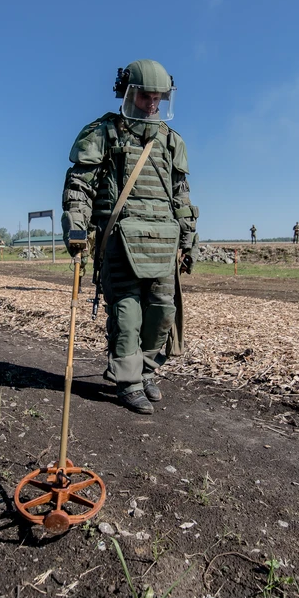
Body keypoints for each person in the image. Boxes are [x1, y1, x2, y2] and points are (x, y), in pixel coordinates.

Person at [60, 59, 198, 415]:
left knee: (163, 313)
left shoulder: (170, 141)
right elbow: (79, 186)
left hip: (163, 242)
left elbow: (181, 196)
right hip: (119, 241)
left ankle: (147, 370)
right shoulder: (103, 132)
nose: (152, 105)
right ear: (128, 94)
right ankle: (127, 380)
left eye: (158, 98)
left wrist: (188, 240)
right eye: (145, 98)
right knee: (127, 314)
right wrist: (77, 229)